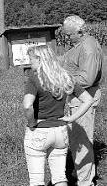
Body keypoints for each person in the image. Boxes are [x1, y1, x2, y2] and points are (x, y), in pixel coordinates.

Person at [23, 45, 93, 186]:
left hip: (39, 130)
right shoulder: (65, 77)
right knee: (60, 177)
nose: (30, 64)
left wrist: (31, 123)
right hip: (60, 131)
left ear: (40, 59)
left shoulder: (34, 79)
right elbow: (88, 100)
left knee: (37, 180)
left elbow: (27, 105)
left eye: (31, 60)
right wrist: (71, 118)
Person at [61, 15, 103, 186]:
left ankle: (85, 181)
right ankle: (81, 172)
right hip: (76, 98)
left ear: (79, 31)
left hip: (83, 99)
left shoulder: (88, 47)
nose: (67, 38)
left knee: (81, 141)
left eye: (69, 35)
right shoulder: (80, 45)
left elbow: (87, 78)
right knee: (76, 138)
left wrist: (63, 79)